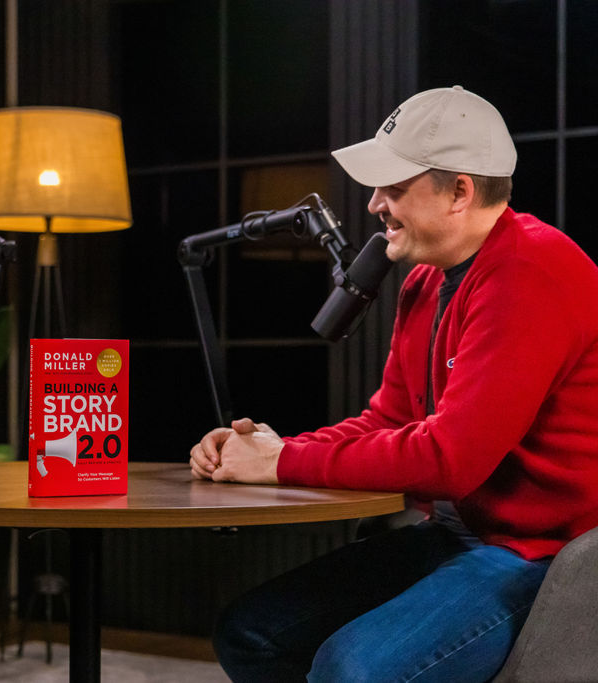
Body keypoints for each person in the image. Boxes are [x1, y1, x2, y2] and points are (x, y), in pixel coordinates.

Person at [190, 85, 598, 682]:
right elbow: (390, 422)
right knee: (251, 633)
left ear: (460, 190)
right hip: (460, 533)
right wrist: (269, 450)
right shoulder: (427, 283)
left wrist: (280, 464)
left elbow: (450, 459)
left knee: (352, 670)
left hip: (545, 552)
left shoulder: (532, 273)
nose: (375, 203)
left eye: (395, 188)